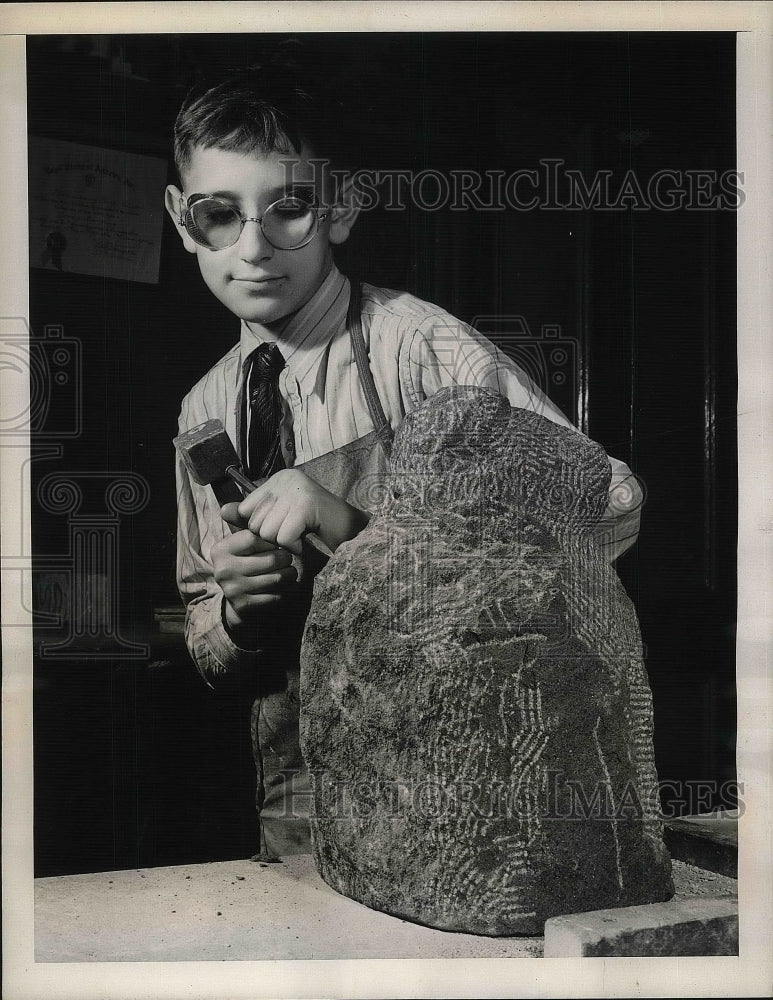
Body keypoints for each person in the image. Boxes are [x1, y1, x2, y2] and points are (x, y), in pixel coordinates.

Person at [165, 59, 643, 859]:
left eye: (291, 208)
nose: (254, 248)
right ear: (183, 221)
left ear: (342, 206)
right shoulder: (201, 410)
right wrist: (241, 620)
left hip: (456, 794)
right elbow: (202, 635)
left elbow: (609, 506)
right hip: (298, 800)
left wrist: (358, 532)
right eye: (220, 214)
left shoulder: (421, 349)